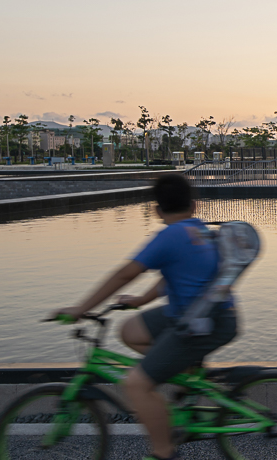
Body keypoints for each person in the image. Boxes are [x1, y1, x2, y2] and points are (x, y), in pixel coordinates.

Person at [54, 175, 238, 460]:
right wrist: (141, 301)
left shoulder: (169, 236)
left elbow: (125, 274)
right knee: (131, 331)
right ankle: (183, 370)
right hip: (203, 315)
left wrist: (81, 308)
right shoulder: (198, 231)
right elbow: (175, 275)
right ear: (194, 205)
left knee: (135, 383)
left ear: (157, 210)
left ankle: (164, 452)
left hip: (201, 323)